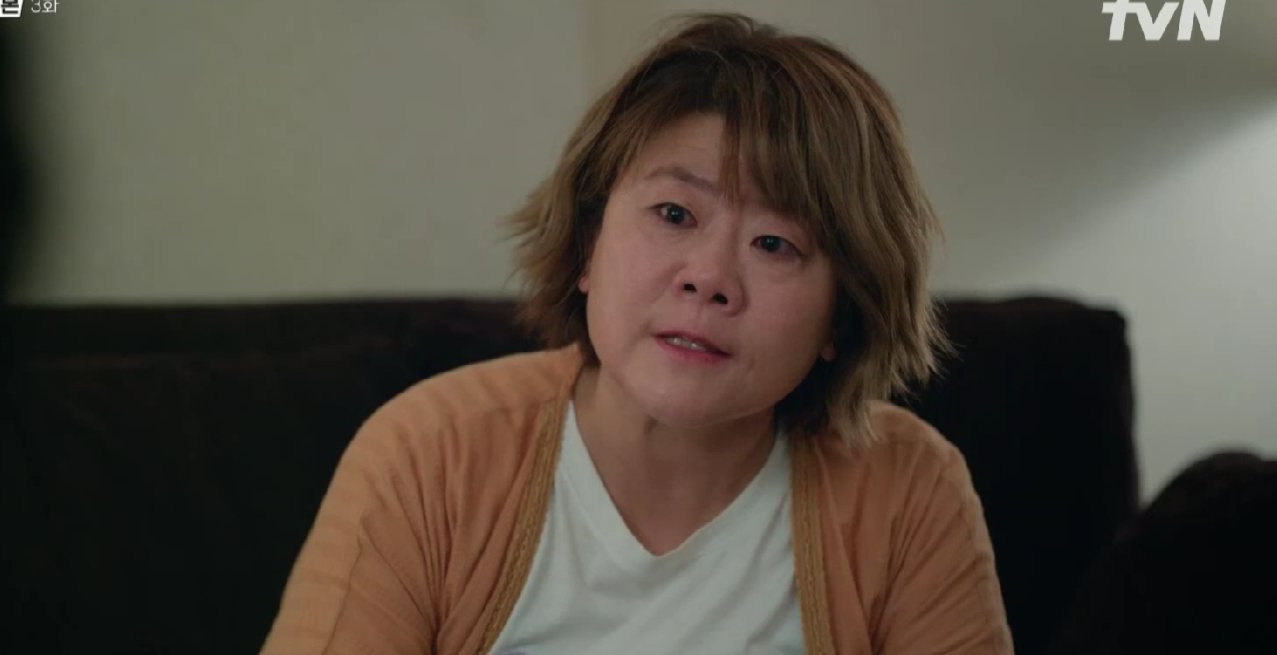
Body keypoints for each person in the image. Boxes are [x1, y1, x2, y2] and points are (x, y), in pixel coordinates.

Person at [261, 12, 1012, 655]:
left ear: (840, 317)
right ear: (588, 244)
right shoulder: (427, 453)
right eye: (674, 214)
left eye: (775, 244)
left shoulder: (911, 489)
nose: (708, 277)